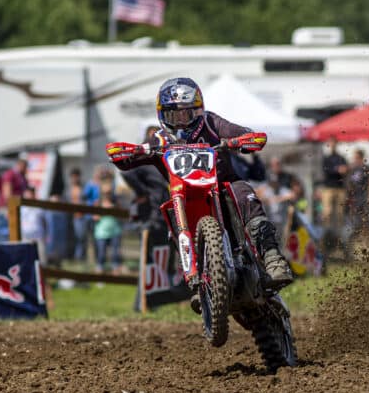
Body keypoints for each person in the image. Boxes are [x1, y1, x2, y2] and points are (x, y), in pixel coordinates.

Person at [107, 77, 294, 298]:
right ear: (162, 115)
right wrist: (128, 153)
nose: (180, 121)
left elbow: (245, 133)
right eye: (173, 115)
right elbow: (125, 160)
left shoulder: (212, 124)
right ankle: (194, 277)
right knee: (168, 214)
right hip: (185, 196)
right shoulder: (159, 138)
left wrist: (240, 140)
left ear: (198, 110)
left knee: (243, 193)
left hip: (223, 186)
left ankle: (272, 258)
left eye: (187, 114)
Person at [319, 137, 348, 234]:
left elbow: (346, 169)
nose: (333, 145)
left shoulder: (341, 158)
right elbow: (326, 170)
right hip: (329, 188)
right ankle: (327, 232)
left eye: (334, 143)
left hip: (340, 188)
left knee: (340, 213)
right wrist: (337, 170)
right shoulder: (327, 158)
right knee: (327, 212)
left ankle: (339, 234)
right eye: (331, 143)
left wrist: (343, 169)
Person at [92, 192, 123, 275]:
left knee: (115, 253)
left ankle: (115, 269)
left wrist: (116, 207)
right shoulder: (98, 203)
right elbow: (95, 217)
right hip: (101, 233)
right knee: (101, 253)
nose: (107, 195)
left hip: (114, 232)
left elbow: (121, 215)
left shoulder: (115, 203)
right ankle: (100, 269)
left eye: (109, 193)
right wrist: (101, 210)